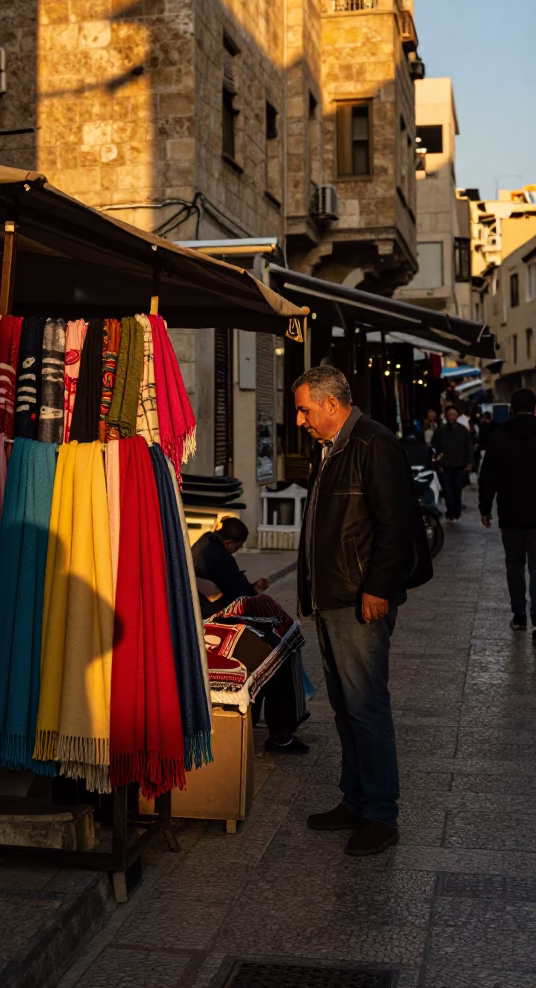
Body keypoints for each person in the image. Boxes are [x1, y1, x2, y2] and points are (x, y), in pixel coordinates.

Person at [292, 365, 431, 857]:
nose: (300, 421)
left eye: (305, 410)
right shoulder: (332, 448)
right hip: (332, 596)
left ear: (331, 404)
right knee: (346, 707)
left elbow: (396, 525)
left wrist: (377, 588)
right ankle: (355, 799)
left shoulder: (373, 443)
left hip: (358, 599)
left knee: (366, 707)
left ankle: (380, 815)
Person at [192, 518, 309, 755]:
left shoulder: (203, 544)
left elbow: (231, 588)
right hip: (215, 627)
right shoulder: (219, 556)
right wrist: (252, 590)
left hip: (207, 623)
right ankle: (281, 735)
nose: (238, 549)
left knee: (268, 651)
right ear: (229, 542)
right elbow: (239, 595)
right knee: (278, 656)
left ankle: (256, 721)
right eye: (238, 545)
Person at [478, 388, 536, 635]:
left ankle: (519, 615)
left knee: (514, 566)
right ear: (534, 409)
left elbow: (488, 477)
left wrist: (485, 508)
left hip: (510, 513)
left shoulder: (498, 437)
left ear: (511, 409)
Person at [431, 404, 473, 521]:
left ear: (457, 416)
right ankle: (450, 512)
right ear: (445, 416)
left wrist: (469, 463)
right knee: (448, 491)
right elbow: (435, 449)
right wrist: (438, 463)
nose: (451, 417)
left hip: (460, 465)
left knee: (457, 490)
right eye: (449, 415)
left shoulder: (463, 431)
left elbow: (469, 448)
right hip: (445, 466)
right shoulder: (440, 431)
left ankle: (456, 512)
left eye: (453, 415)